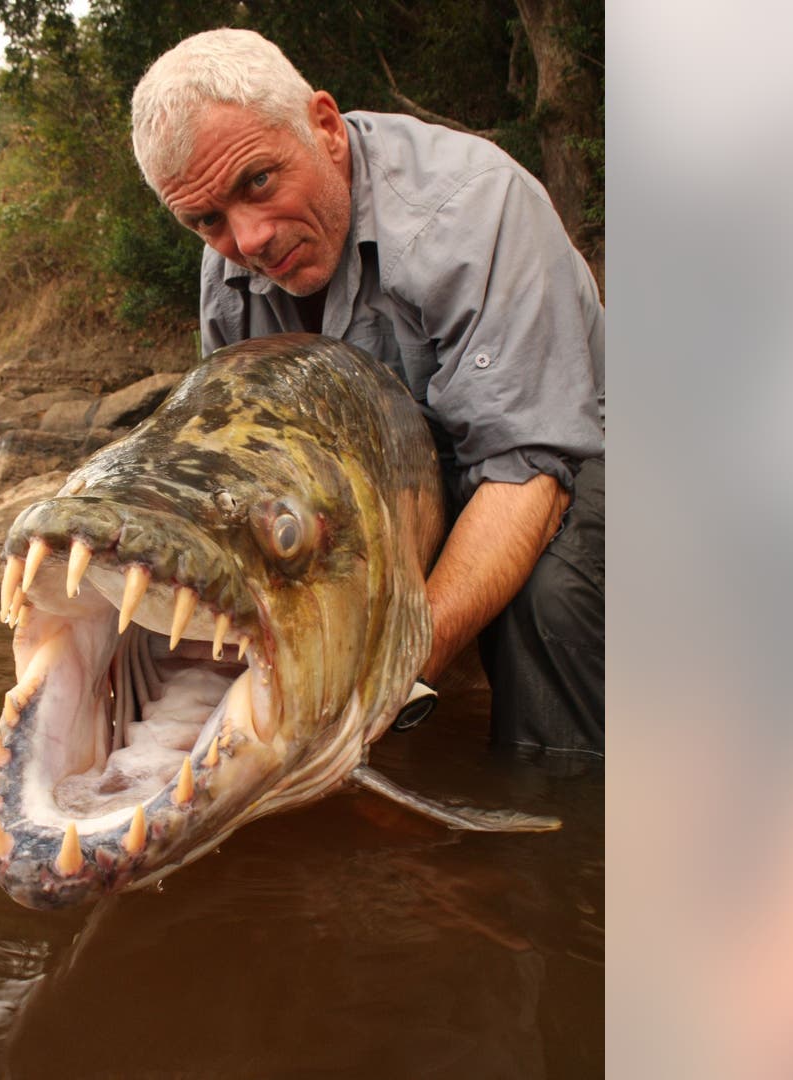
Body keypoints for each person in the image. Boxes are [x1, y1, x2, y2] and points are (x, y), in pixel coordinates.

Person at [130, 29, 605, 755]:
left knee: (549, 603)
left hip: (568, 444)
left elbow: (527, 471)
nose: (248, 240)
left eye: (258, 182)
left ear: (324, 127)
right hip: (408, 476)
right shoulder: (225, 273)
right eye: (207, 220)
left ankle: (562, 833)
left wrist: (384, 681)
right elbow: (247, 474)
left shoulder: (474, 208)